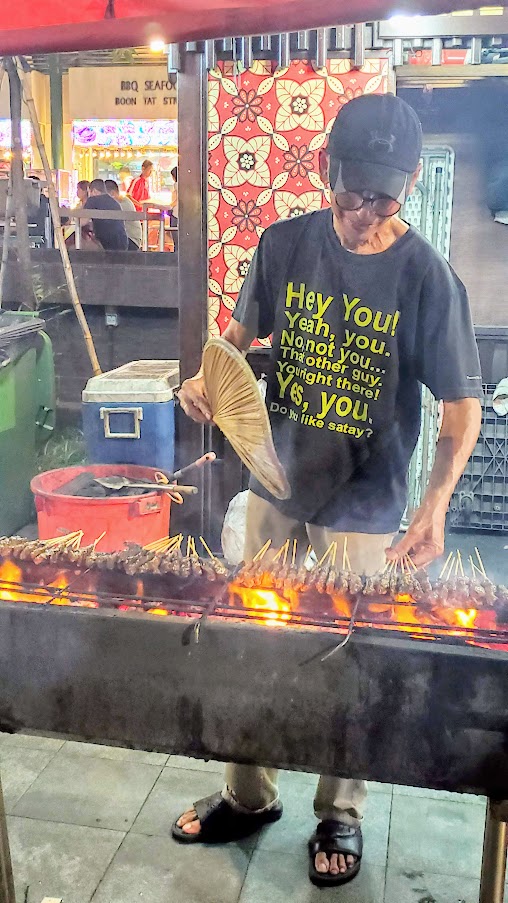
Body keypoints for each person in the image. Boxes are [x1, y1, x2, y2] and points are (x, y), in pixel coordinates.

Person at [173, 94, 483, 888]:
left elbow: (460, 412)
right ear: (324, 171)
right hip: (277, 482)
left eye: (383, 196)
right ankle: (248, 795)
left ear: (409, 184)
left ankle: (339, 810)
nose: (363, 212)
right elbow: (233, 347)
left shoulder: (427, 278)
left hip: (368, 502)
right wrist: (204, 384)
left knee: (349, 658)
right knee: (256, 640)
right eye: (351, 193)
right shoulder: (283, 245)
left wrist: (435, 502)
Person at [83, 178, 128, 251]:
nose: (89, 195)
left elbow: (82, 221)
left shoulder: (92, 200)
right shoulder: (114, 202)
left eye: (89, 192)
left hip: (105, 244)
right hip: (122, 243)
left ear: (94, 191)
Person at [105, 178, 142, 250]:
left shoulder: (124, 204)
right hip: (124, 239)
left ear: (112, 194)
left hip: (131, 240)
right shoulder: (119, 203)